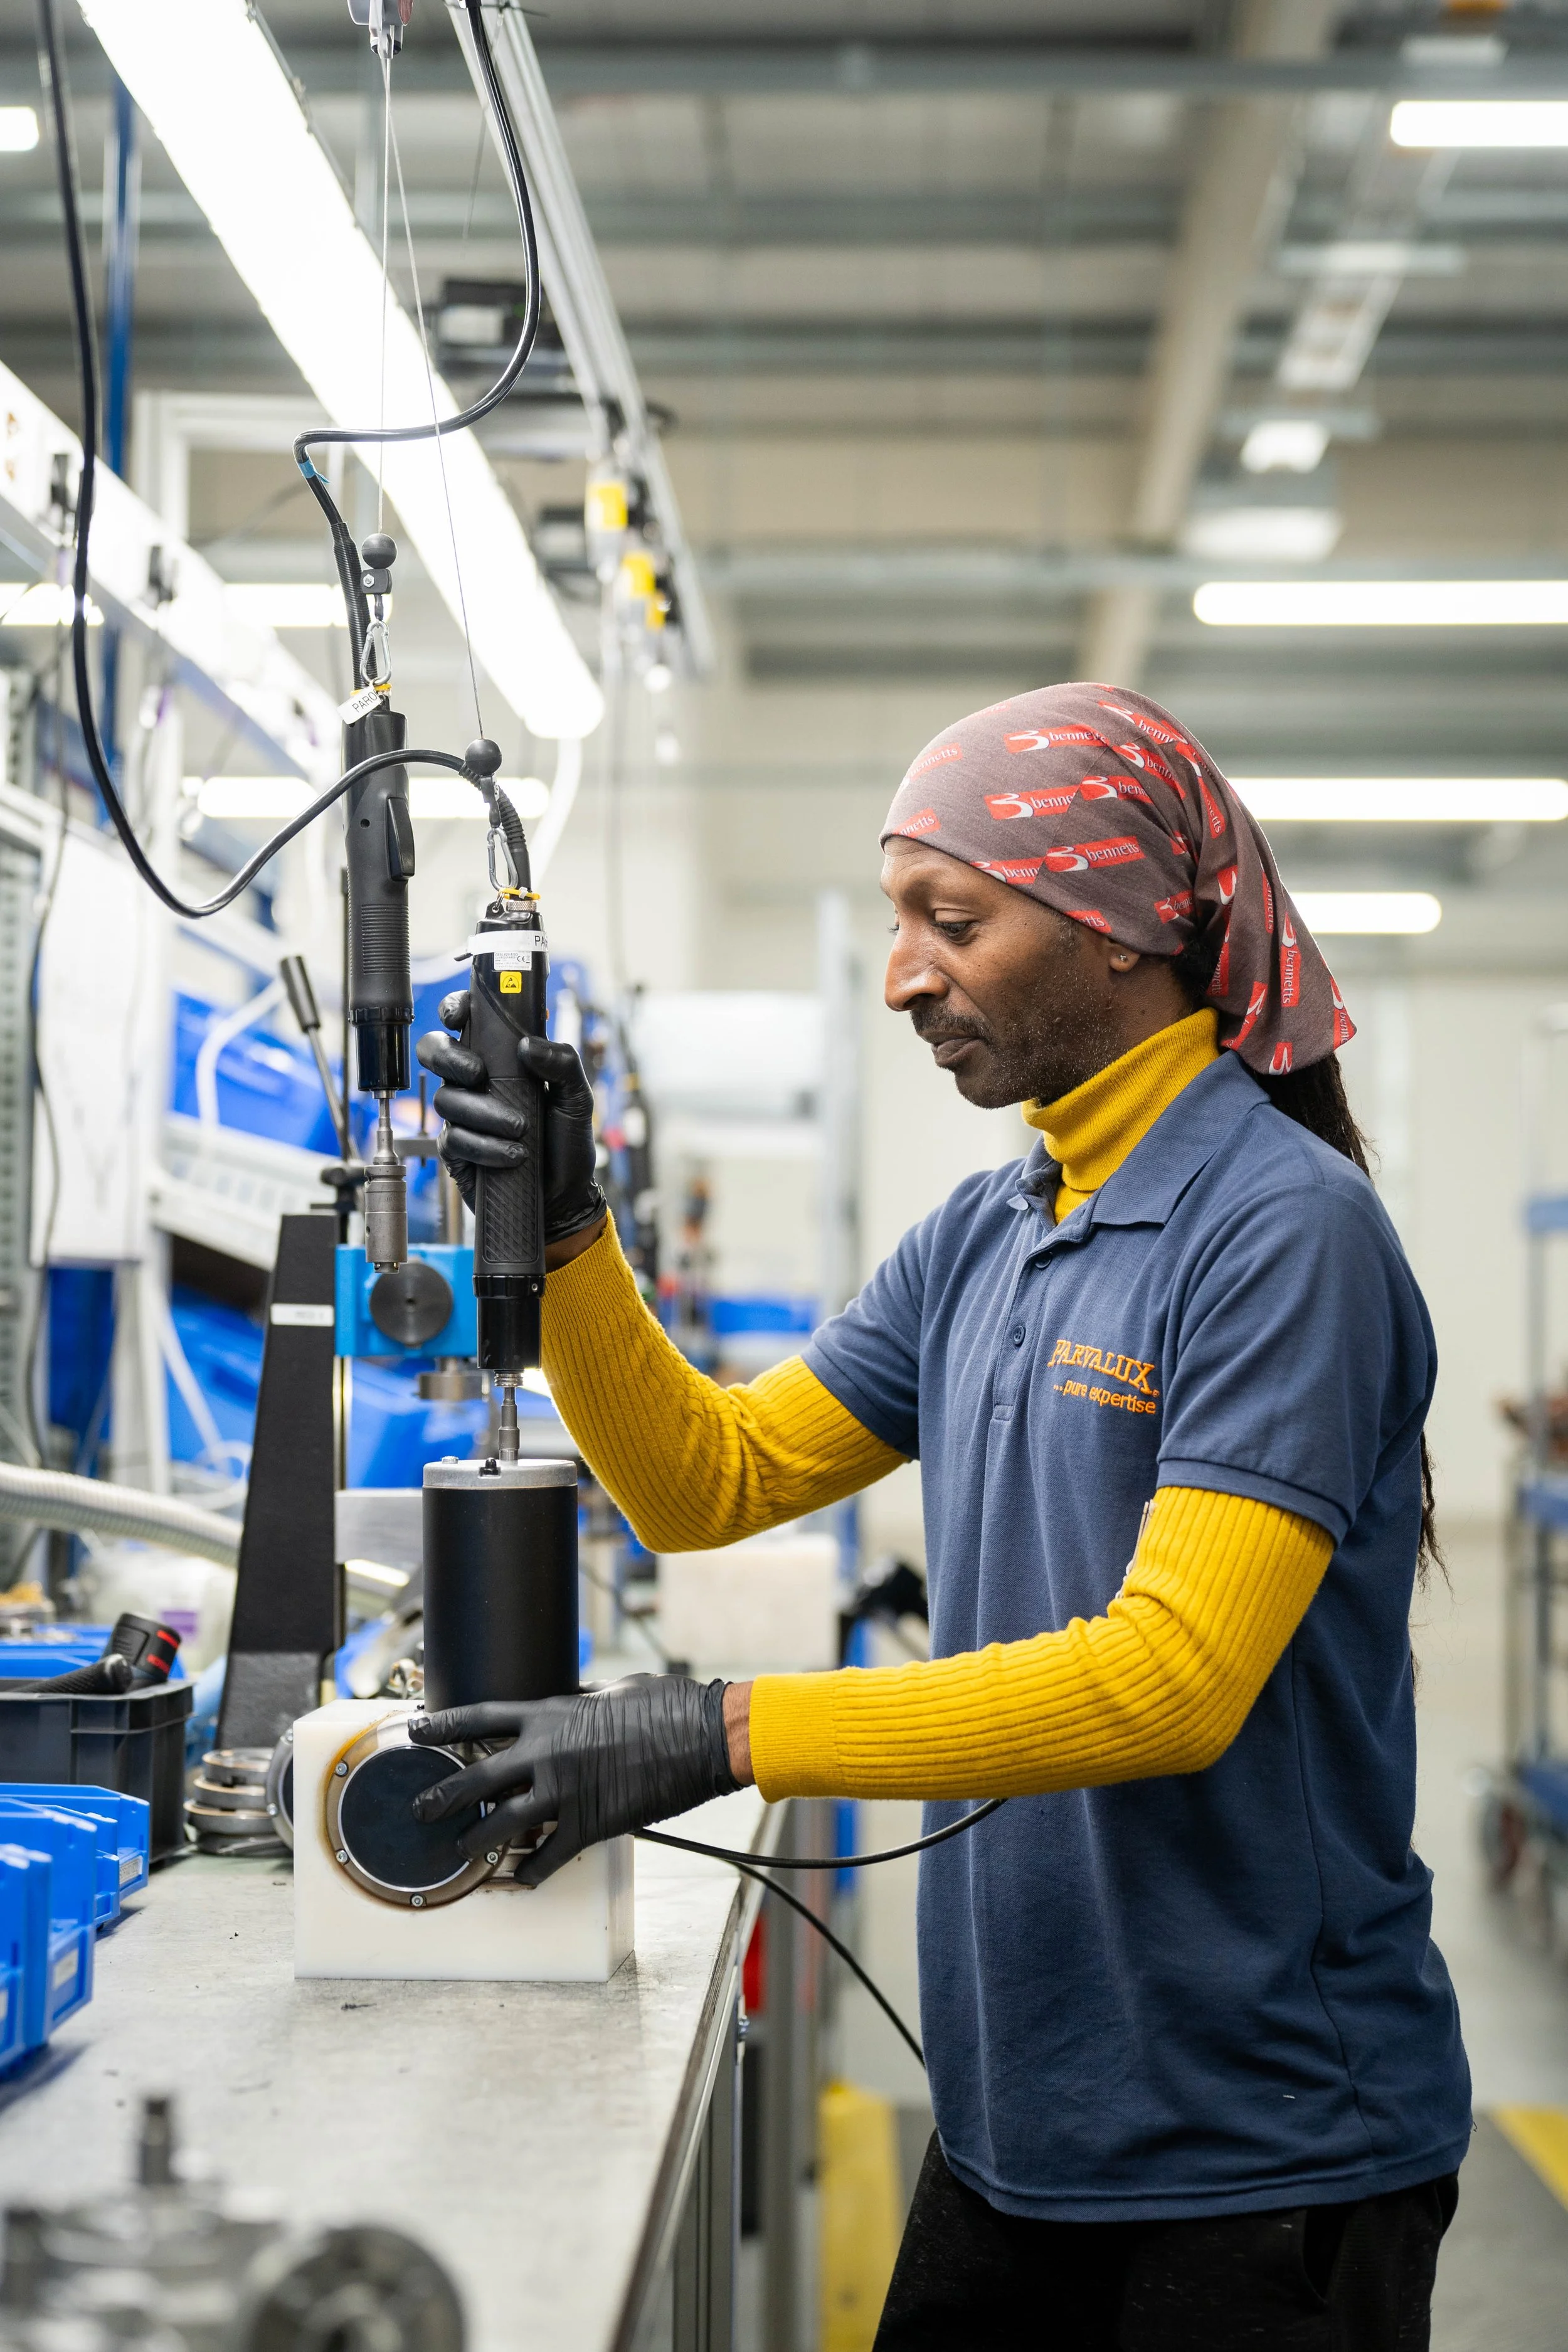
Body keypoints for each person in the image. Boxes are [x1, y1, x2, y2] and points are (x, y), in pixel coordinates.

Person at [412, 680, 1469, 2350]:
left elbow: (1171, 1680)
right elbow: (706, 1482)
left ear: (1121, 926)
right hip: (1017, 2129)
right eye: (901, 919)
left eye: (950, 919)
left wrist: (717, 1728)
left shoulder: (1280, 1234)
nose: (903, 973)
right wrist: (565, 1237)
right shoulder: (991, 1229)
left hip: (1259, 2162)